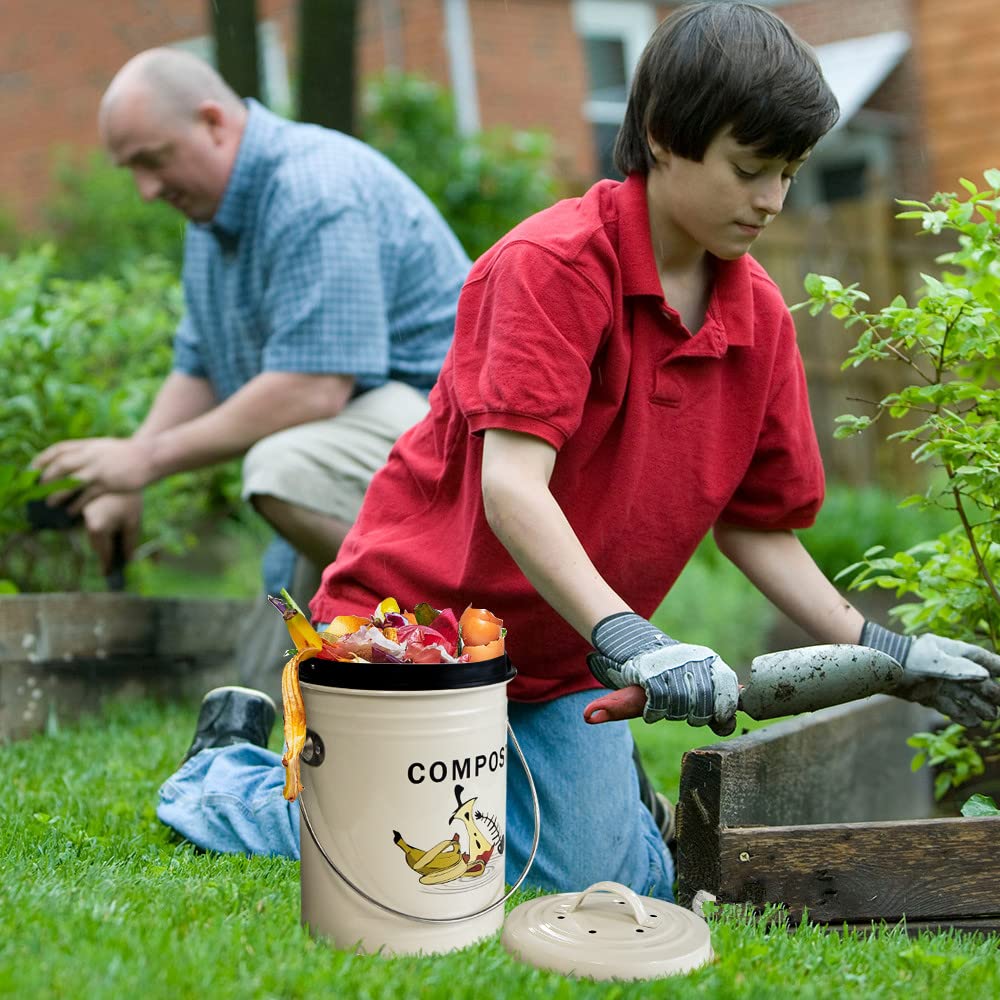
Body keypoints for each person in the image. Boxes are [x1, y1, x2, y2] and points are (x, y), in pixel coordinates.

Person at [155, 2, 1000, 899]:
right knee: (441, 862)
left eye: (789, 172)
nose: (774, 201)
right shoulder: (552, 267)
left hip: (558, 662)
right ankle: (230, 776)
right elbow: (512, 488)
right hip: (413, 639)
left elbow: (759, 529)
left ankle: (570, 796)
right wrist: (635, 638)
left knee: (611, 881)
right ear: (667, 139)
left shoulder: (757, 322)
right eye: (750, 169)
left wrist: (888, 653)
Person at [32, 48, 471, 694]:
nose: (146, 191)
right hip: (361, 448)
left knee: (283, 468)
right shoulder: (212, 219)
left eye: (152, 161)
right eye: (132, 171)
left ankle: (452, 641)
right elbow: (200, 362)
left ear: (213, 122)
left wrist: (148, 459)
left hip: (448, 440)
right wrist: (128, 469)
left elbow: (315, 387)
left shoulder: (312, 190)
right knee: (267, 685)